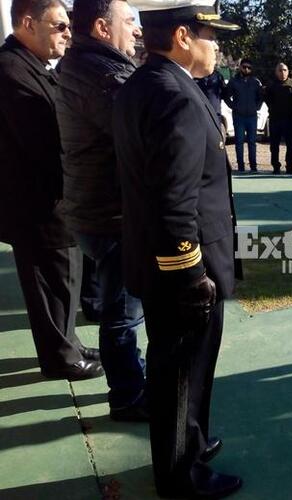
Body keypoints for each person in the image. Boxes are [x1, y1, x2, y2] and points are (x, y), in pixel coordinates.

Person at [112, 0, 242, 496]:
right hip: (184, 270)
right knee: (183, 372)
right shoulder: (177, 97)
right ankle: (181, 474)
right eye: (211, 34)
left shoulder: (143, 85)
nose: (218, 44)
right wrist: (190, 275)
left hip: (155, 261)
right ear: (183, 36)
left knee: (173, 368)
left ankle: (189, 443)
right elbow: (174, 202)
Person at [0, 0, 103, 381]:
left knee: (66, 277)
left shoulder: (34, 67)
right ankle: (60, 357)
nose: (67, 33)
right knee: (50, 281)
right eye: (59, 25)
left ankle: (69, 343)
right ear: (28, 23)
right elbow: (44, 141)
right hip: (37, 203)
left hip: (55, 201)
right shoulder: (11, 69)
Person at [56, 0, 148, 418]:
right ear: (100, 27)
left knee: (121, 309)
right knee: (122, 314)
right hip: (110, 213)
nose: (137, 31)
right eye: (129, 21)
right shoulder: (102, 74)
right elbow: (142, 131)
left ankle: (130, 378)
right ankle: (128, 395)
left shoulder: (87, 64)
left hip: (97, 208)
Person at [224, 57, 262, 172]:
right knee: (239, 142)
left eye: (249, 68)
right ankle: (241, 167)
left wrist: (257, 107)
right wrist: (233, 106)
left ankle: (253, 167)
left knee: (252, 142)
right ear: (240, 67)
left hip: (252, 116)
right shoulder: (234, 81)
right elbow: (226, 96)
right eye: (244, 67)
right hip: (238, 116)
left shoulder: (255, 82)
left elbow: (260, 97)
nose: (246, 69)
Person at [264, 62, 292, 174]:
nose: (282, 72)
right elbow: (266, 99)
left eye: (284, 70)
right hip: (275, 120)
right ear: (276, 72)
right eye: (280, 70)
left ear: (288, 71)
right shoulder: (271, 85)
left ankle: (289, 166)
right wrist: (273, 108)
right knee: (274, 145)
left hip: (289, 120)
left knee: (290, 145)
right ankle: (276, 167)